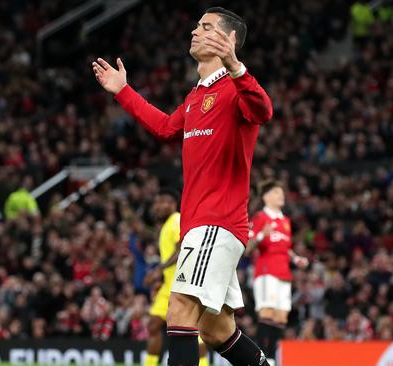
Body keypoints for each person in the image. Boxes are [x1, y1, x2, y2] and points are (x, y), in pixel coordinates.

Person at [92, 6, 273, 366]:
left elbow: (263, 110)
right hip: (200, 224)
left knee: (179, 311)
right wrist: (123, 91)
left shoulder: (236, 88)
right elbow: (164, 128)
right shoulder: (195, 97)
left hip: (216, 222)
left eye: (206, 26)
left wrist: (236, 66)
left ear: (229, 38)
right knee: (216, 330)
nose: (195, 31)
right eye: (197, 25)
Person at [143, 189, 208, 366]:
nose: (157, 206)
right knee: (154, 325)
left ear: (172, 204)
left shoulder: (177, 220)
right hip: (169, 286)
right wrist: (161, 279)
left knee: (194, 331)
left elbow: (183, 248)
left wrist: (158, 270)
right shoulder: (166, 225)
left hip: (183, 285)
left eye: (162, 201)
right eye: (156, 202)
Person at [246, 180, 308, 365]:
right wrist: (261, 235)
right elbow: (248, 249)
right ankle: (261, 358)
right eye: (276, 192)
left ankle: (271, 358)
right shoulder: (260, 218)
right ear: (265, 197)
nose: (280, 196)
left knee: (281, 317)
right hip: (266, 271)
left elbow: (285, 247)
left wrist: (295, 258)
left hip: (284, 272)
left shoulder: (285, 221)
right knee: (267, 313)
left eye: (281, 193)